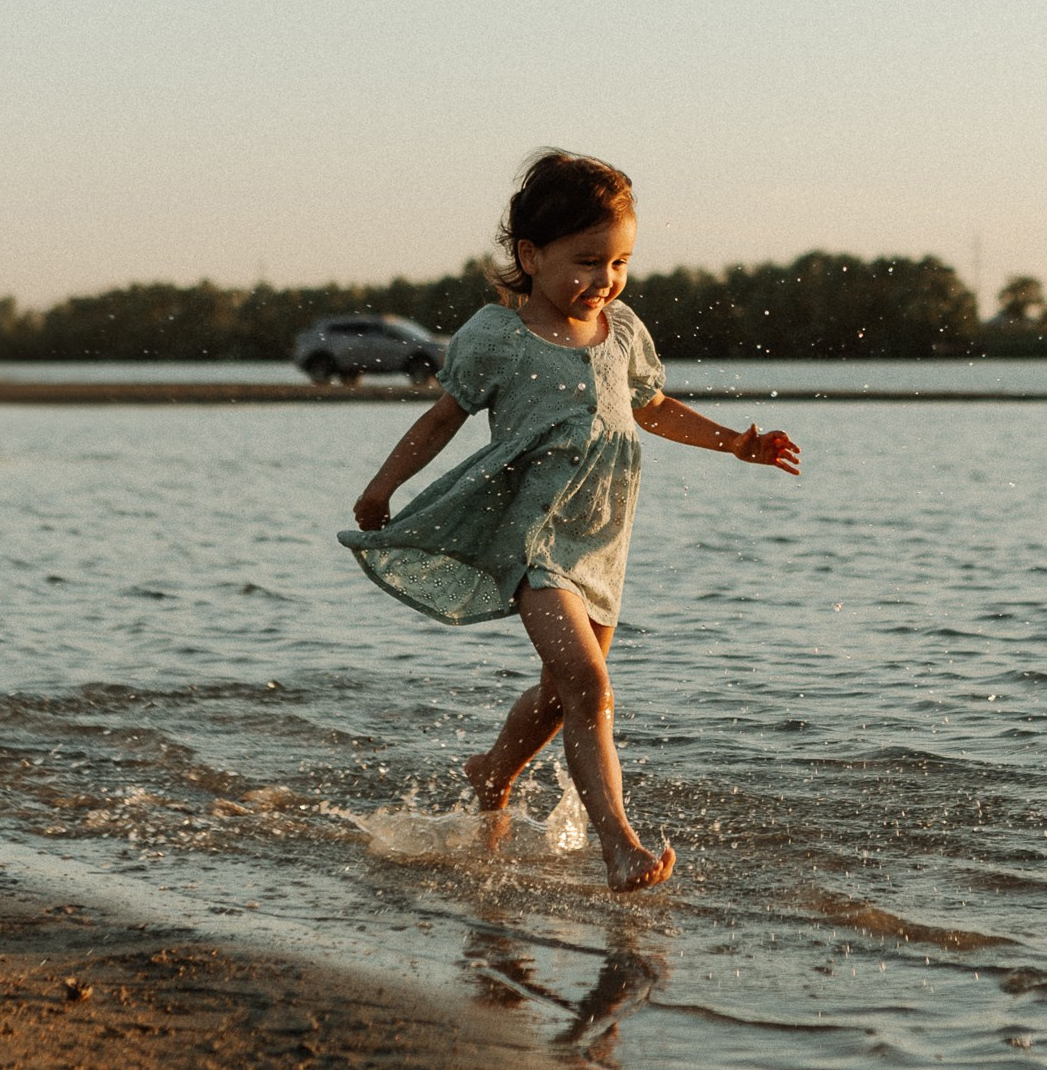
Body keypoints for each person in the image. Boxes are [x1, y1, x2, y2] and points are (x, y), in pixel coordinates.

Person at [339, 151, 800, 893]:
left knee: (562, 694)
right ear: (531, 254)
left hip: (600, 541)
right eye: (588, 260)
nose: (606, 279)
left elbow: (651, 407)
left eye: (620, 261)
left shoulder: (621, 331)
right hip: (534, 538)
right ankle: (618, 844)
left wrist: (736, 443)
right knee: (591, 683)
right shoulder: (496, 336)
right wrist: (383, 484)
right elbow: (440, 418)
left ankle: (493, 771)